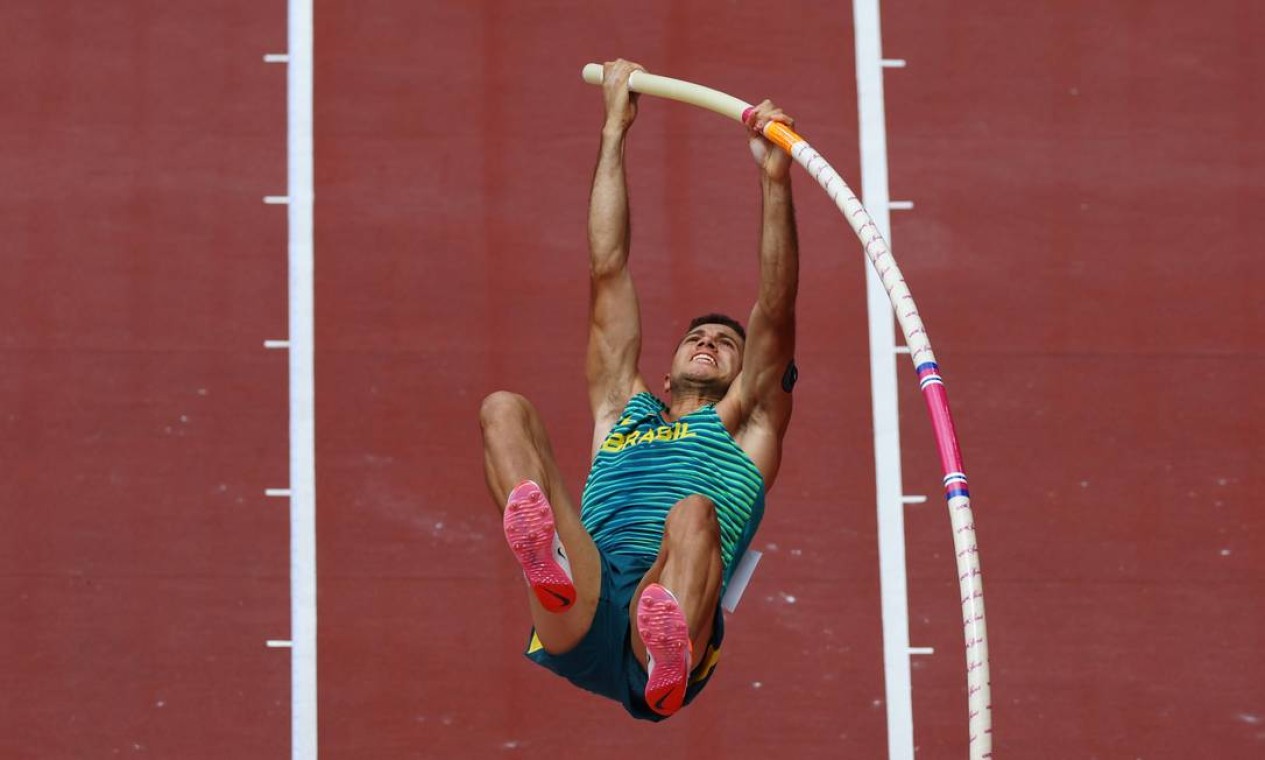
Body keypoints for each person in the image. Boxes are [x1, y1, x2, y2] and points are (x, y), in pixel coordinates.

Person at [478, 58, 799, 721]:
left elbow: (774, 308)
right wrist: (613, 130)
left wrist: (773, 183)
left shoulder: (749, 425)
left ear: (748, 376)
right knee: (503, 410)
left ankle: (665, 654)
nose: (708, 342)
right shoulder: (621, 411)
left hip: (671, 608)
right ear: (666, 367)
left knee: (692, 515)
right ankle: (551, 567)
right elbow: (608, 267)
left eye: (725, 344)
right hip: (587, 600)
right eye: (697, 337)